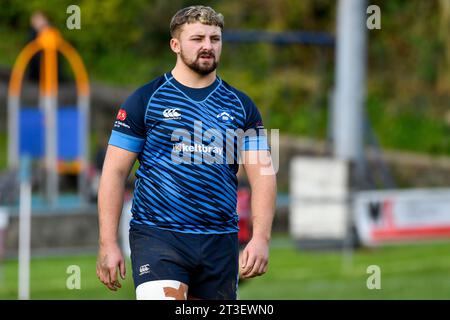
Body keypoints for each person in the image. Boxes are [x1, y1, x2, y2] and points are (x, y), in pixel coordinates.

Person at [96, 5, 276, 300]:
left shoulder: (241, 106)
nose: (208, 46)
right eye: (198, 39)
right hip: (158, 236)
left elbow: (264, 175)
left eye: (215, 39)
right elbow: (114, 173)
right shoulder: (145, 100)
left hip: (220, 240)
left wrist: (261, 238)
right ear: (175, 45)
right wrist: (107, 242)